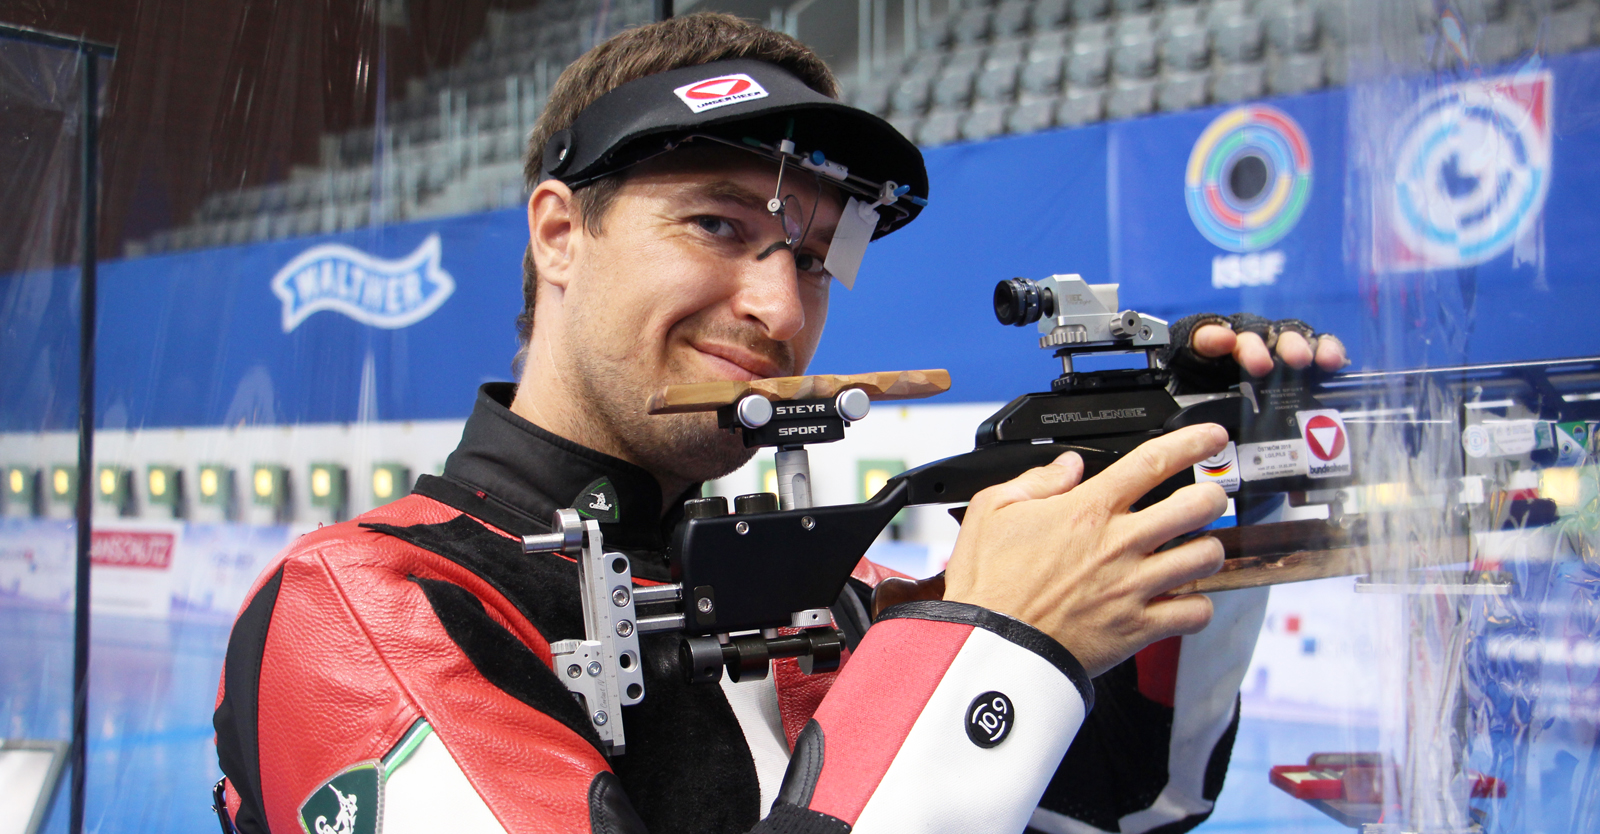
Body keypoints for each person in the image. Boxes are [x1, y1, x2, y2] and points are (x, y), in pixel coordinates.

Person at [212, 14, 1348, 834]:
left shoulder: (818, 601)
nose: (779, 307)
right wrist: (988, 646)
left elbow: (1130, 800)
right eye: (715, 224)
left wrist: (1196, 485)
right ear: (558, 234)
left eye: (809, 257)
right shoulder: (357, 611)